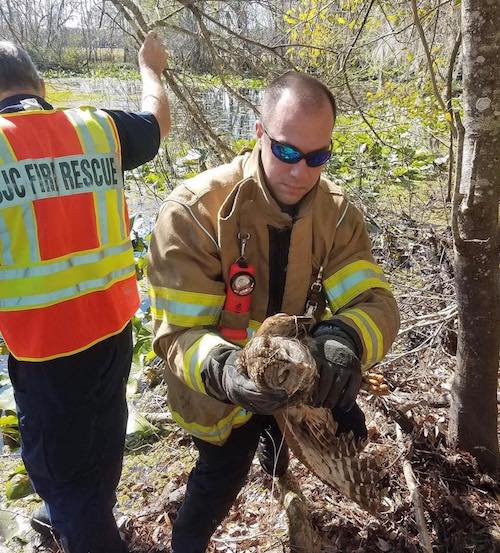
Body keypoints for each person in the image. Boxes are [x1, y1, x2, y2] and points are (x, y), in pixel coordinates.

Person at [147, 71, 400, 553]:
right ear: (259, 133)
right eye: (285, 151)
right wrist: (225, 371)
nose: (299, 172)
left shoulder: (338, 215)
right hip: (218, 390)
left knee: (350, 430)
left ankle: (278, 460)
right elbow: (177, 331)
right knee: (220, 477)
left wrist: (344, 339)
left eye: (316, 157)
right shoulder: (194, 212)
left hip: (299, 371)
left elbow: (375, 302)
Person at [0, 32, 170, 553]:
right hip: (113, 331)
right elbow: (158, 123)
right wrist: (150, 69)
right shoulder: (98, 129)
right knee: (101, 442)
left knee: (64, 477)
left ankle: (83, 527)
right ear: (43, 86)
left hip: (44, 352)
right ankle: (64, 522)